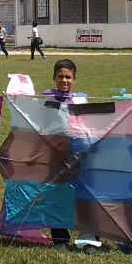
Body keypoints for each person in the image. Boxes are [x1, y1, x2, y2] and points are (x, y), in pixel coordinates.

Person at [41, 59, 87, 250]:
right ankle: (59, 238)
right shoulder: (48, 100)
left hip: (78, 153)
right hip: (55, 154)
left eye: (68, 77)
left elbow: (88, 126)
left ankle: (88, 236)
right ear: (54, 78)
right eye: (60, 77)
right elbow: (43, 124)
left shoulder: (80, 100)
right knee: (55, 193)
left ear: (74, 79)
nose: (64, 80)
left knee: (82, 193)